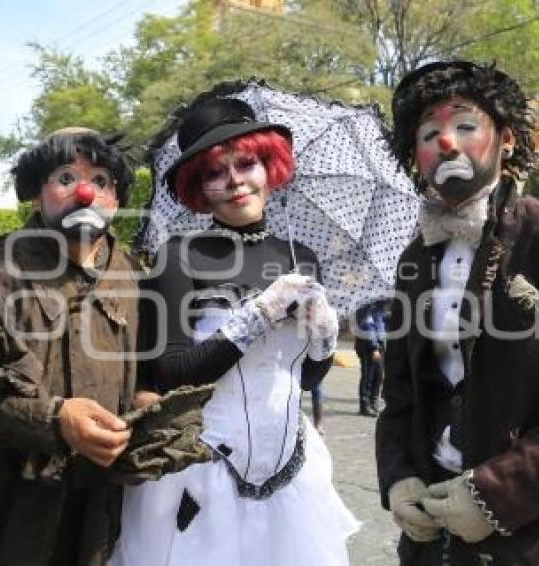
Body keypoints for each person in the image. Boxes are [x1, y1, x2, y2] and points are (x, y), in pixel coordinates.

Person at [376, 60, 539, 564]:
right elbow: (402, 391)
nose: (446, 142)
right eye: (429, 134)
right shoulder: (414, 257)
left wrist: (497, 495)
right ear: (415, 155)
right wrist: (398, 475)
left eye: (465, 126)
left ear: (507, 139)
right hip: (432, 533)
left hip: (536, 532)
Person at [109, 97, 358, 566]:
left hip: (292, 469)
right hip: (200, 471)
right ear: (198, 188)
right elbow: (170, 371)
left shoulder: (299, 256)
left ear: (270, 165)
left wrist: (324, 337)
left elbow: (305, 379)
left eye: (247, 163)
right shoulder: (177, 256)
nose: (235, 181)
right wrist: (259, 315)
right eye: (214, 173)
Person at [0, 128, 144, 566]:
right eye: (67, 178)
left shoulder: (130, 274)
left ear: (117, 197)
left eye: (102, 181)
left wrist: (145, 402)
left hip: (103, 520)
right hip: (8, 516)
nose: (86, 192)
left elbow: (140, 373)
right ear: (36, 193)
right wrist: (54, 420)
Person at [354, 299, 387, 416]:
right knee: (369, 375)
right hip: (368, 344)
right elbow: (367, 326)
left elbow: (382, 323)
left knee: (378, 376)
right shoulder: (365, 304)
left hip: (379, 342)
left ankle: (373, 403)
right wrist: (374, 347)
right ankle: (365, 406)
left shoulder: (379, 305)